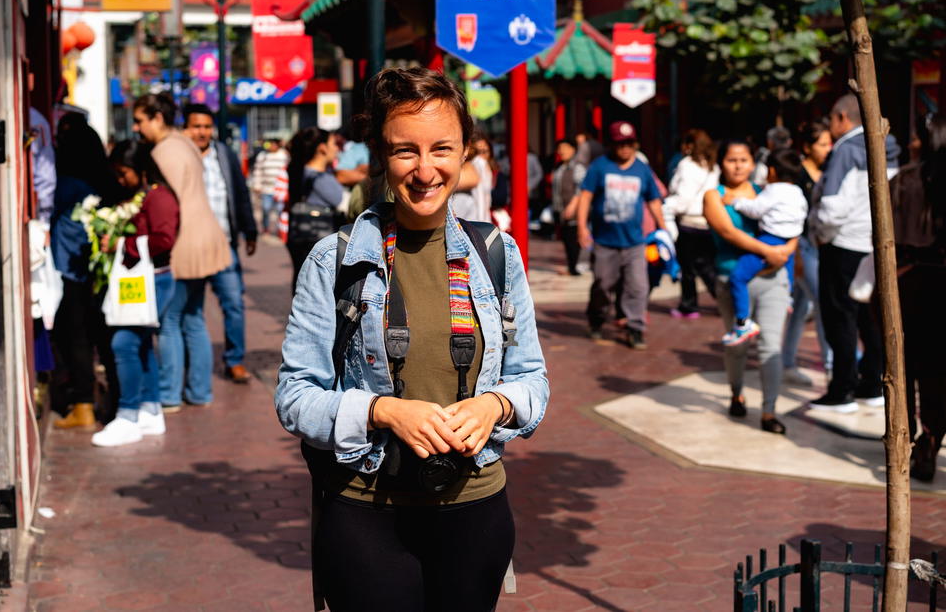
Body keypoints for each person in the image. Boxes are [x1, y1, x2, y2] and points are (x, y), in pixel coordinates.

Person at [276, 67, 548, 612]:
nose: (426, 170)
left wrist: (495, 405)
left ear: (466, 152)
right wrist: (383, 411)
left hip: (476, 507)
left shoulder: (498, 253)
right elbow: (294, 397)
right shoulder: (335, 259)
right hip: (365, 511)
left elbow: (532, 381)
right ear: (382, 154)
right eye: (406, 152)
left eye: (442, 149)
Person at [132, 92, 232, 411]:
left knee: (171, 319)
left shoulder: (165, 151)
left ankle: (169, 393)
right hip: (205, 235)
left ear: (157, 118)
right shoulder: (184, 143)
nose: (136, 127)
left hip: (185, 240)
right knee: (193, 318)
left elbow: (166, 204)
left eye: (139, 120)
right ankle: (199, 391)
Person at [807, 94, 900, 412]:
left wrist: (820, 233)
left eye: (832, 120)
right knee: (869, 317)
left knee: (840, 317)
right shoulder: (888, 145)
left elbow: (833, 208)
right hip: (874, 245)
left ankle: (842, 388)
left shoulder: (845, 150)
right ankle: (872, 382)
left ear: (842, 118)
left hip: (844, 244)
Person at [704, 140, 796, 434]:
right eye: (732, 159)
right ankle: (736, 393)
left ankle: (769, 412)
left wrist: (788, 248)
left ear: (753, 163)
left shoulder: (769, 191)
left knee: (771, 346)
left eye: (744, 159)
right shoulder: (713, 196)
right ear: (721, 163)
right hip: (731, 280)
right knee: (738, 346)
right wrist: (768, 251)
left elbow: (793, 222)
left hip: (773, 280)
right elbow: (727, 231)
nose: (739, 165)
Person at [91, 141, 179, 447]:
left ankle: (128, 415)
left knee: (124, 342)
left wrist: (122, 245)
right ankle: (150, 410)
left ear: (140, 169)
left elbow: (164, 238)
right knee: (139, 344)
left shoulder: (159, 197)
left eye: (123, 173)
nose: (119, 180)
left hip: (154, 279)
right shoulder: (144, 196)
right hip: (142, 280)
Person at [182, 104, 259, 384]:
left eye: (205, 126)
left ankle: (234, 360)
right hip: (189, 246)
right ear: (185, 127)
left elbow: (239, 193)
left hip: (223, 245)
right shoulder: (179, 156)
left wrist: (250, 231)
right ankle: (193, 360)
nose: (201, 132)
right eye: (195, 126)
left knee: (234, 304)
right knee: (191, 308)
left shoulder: (223, 154)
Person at [49, 117, 117, 429]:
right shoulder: (105, 181)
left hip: (72, 271)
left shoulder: (65, 184)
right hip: (101, 271)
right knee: (103, 336)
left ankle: (83, 405)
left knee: (74, 335)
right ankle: (112, 401)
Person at [577, 121, 666, 349]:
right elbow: (585, 197)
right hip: (605, 242)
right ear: (612, 145)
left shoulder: (642, 169)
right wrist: (582, 227)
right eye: (619, 144)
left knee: (638, 287)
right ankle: (596, 319)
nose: (624, 148)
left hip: (635, 242)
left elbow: (653, 200)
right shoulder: (600, 166)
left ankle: (635, 328)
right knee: (603, 285)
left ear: (635, 144)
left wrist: (663, 229)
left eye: (628, 143)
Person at [891, 114, 946, 480]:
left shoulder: (903, 181)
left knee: (903, 370)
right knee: (938, 373)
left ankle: (909, 440)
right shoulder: (906, 180)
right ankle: (930, 438)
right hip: (934, 288)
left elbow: (885, 241)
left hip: (908, 285)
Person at [721, 148, 807, 346]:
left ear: (772, 172)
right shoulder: (798, 192)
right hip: (790, 240)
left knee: (738, 277)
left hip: (770, 240)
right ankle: (787, 300)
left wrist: (735, 202)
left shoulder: (773, 190)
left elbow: (755, 209)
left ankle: (743, 323)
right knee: (788, 274)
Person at [781, 121, 834, 385]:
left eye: (829, 143)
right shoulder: (797, 175)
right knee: (824, 304)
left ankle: (787, 363)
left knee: (801, 306)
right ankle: (832, 364)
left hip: (820, 245)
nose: (828, 149)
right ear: (807, 147)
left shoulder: (828, 170)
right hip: (801, 246)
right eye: (822, 144)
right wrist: (797, 257)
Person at [663, 129, 719, 318]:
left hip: (688, 222)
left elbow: (683, 197)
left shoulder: (687, 165)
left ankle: (689, 305)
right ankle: (723, 298)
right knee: (707, 266)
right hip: (708, 222)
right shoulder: (713, 166)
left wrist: (667, 206)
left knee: (688, 268)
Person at [285, 127, 344, 289]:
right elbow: (341, 200)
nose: (337, 148)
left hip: (298, 235)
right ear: (322, 148)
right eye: (333, 143)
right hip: (318, 237)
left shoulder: (298, 171)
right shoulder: (319, 177)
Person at [551, 138, 588, 275]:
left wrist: (573, 205)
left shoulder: (578, 167)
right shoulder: (559, 166)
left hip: (574, 208)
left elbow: (581, 188)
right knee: (567, 237)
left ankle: (577, 267)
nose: (562, 151)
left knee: (574, 238)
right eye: (560, 148)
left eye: (565, 148)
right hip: (560, 208)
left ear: (573, 150)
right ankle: (572, 266)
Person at [451, 133, 493, 223]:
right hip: (474, 220)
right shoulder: (478, 164)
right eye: (478, 152)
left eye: (485, 151)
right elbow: (480, 198)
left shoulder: (483, 166)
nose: (481, 156)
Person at [251, 139, 290, 235]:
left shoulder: (284, 156)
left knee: (280, 210)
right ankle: (265, 228)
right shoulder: (262, 156)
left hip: (280, 189)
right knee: (266, 209)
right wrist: (257, 185)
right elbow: (257, 171)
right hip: (266, 188)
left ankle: (280, 230)